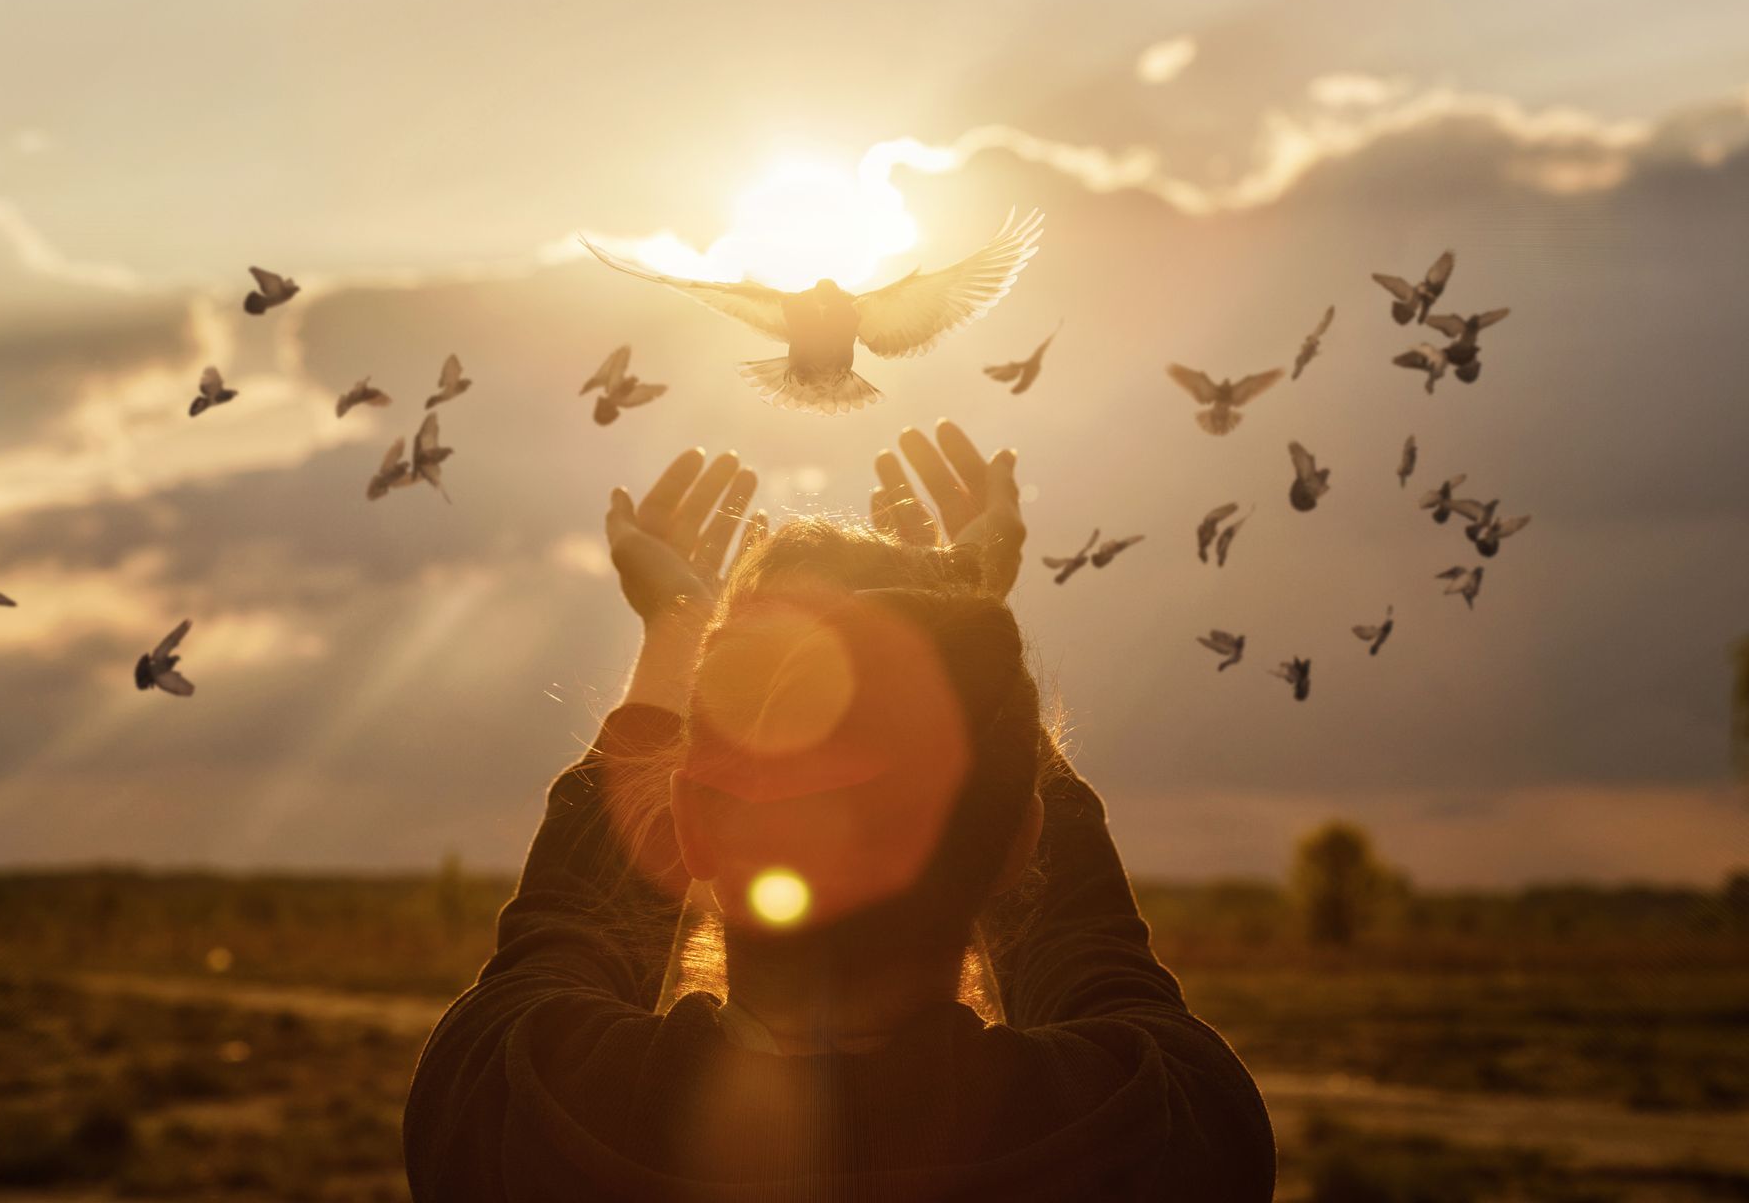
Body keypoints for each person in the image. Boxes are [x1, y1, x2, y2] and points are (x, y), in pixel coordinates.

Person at [404, 421, 1276, 1201]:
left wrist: (680, 624)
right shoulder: (1168, 1130)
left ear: (688, 828)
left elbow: (564, 929)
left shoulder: (514, 1111)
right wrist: (962, 621)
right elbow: (1095, 952)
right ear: (1022, 847)